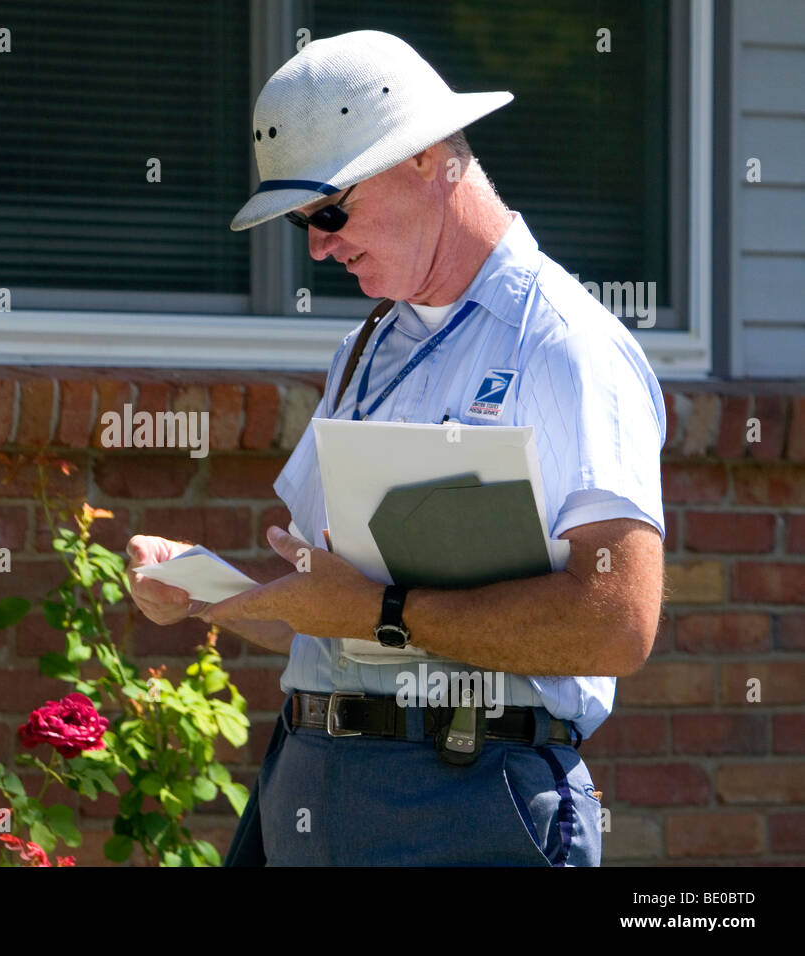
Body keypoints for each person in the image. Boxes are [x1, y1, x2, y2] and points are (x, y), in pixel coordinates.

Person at [125, 30, 666, 866]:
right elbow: (330, 615)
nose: (316, 245)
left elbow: (619, 624)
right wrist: (211, 594)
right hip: (310, 785)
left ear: (424, 160)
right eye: (302, 221)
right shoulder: (366, 347)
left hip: (467, 795)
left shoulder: (565, 346)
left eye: (330, 211)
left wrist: (383, 613)